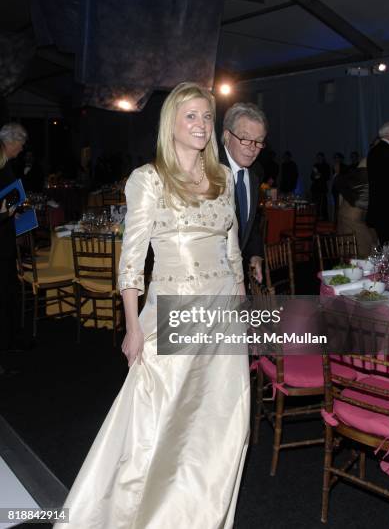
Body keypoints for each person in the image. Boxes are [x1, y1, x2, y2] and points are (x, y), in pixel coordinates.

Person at [54, 83, 250, 529]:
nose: (201, 125)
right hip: (171, 311)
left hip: (222, 314)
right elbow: (133, 258)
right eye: (191, 116)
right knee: (157, 422)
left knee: (222, 422)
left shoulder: (221, 179)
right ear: (172, 124)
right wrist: (132, 326)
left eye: (206, 116)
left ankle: (200, 515)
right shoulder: (148, 179)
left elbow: (233, 250)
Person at [220, 102, 268, 284]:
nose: (252, 147)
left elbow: (252, 221)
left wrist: (255, 254)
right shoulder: (206, 171)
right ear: (226, 136)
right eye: (245, 138)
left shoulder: (256, 173)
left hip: (237, 279)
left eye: (259, 141)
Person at [0, 122, 27, 356]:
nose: (21, 149)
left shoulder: (6, 164)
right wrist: (8, 209)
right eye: (20, 145)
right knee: (6, 291)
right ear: (11, 142)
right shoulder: (2, 166)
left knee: (10, 289)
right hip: (1, 240)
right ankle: (8, 341)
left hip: (5, 236)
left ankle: (12, 338)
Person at [335, 158, 378, 257]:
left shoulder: (354, 178)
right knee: (365, 249)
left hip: (350, 217)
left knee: (364, 248)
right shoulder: (365, 174)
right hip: (352, 219)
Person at [310, 152, 331, 220]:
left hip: (322, 188)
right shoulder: (315, 165)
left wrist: (319, 175)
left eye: (320, 157)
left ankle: (323, 219)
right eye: (317, 157)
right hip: (315, 188)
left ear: (323, 157)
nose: (319, 159)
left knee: (323, 205)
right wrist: (317, 175)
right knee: (314, 204)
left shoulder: (326, 166)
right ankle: (315, 218)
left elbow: (327, 177)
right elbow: (312, 177)